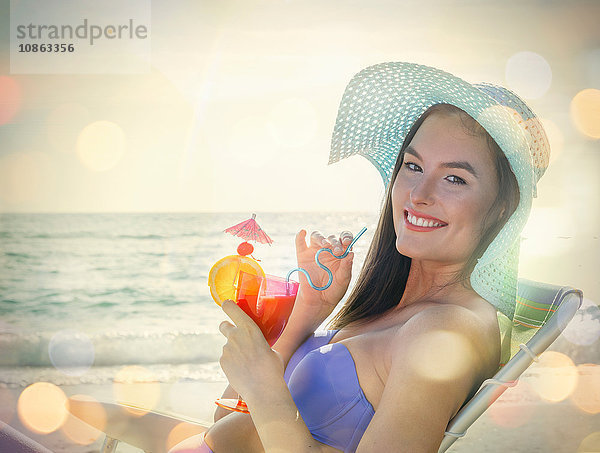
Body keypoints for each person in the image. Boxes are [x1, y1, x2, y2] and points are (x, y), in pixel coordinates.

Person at [170, 61, 550, 453]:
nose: (418, 194)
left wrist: (266, 391)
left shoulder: (445, 332)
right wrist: (310, 308)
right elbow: (229, 421)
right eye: (413, 166)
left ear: (504, 206)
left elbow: (257, 413)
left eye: (455, 178)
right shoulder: (401, 310)